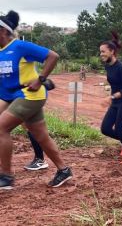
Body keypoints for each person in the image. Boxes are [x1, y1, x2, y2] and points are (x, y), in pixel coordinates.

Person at [0, 10, 73, 190]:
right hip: (11, 96)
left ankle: (7, 176)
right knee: (41, 136)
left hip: (30, 96)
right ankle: (64, 170)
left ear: (2, 31)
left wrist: (41, 79)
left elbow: (52, 56)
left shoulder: (20, 47)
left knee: (1, 127)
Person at [99, 31, 122, 164]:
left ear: (112, 51)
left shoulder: (121, 67)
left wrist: (112, 97)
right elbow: (114, 84)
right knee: (105, 129)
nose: (101, 54)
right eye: (100, 52)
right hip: (115, 102)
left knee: (120, 130)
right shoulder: (107, 66)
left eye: (103, 51)